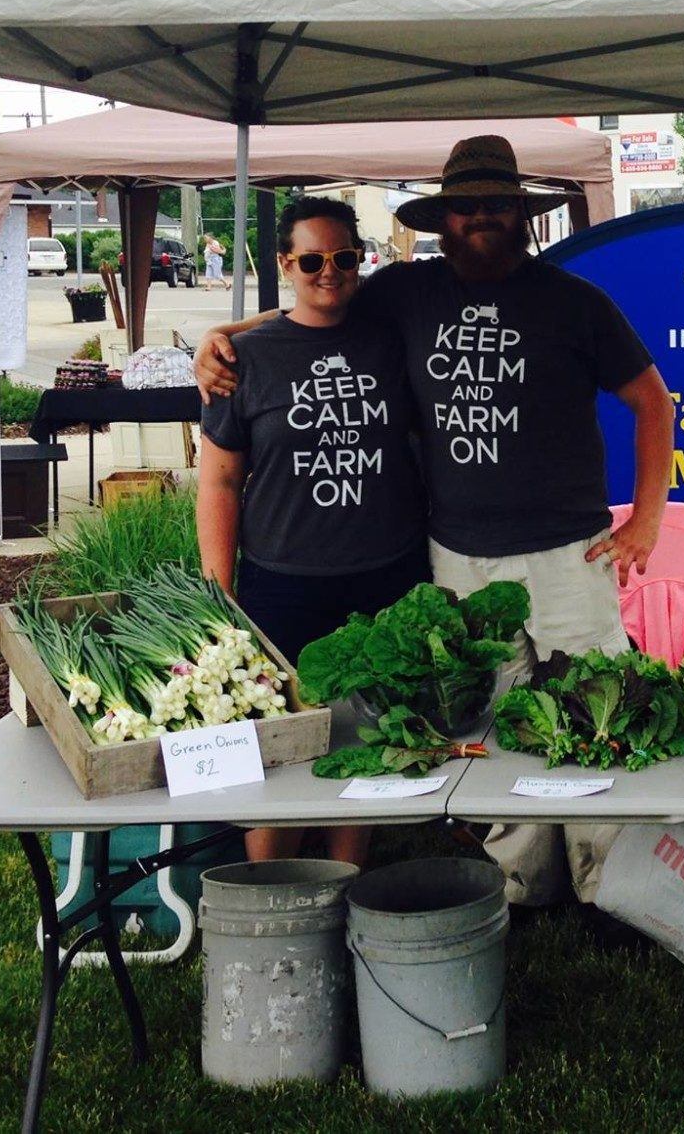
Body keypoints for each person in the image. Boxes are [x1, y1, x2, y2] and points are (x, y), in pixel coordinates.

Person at [197, 135, 675, 904]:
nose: (480, 217)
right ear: (443, 219)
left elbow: (653, 402)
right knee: (494, 721)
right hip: (457, 555)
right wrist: (221, 341)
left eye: (495, 205)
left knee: (596, 707)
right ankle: (521, 884)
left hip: (568, 554)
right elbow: (314, 308)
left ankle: (607, 885)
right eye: (465, 206)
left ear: (521, 214)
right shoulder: (407, 293)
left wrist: (647, 519)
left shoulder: (574, 303)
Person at [195, 196, 428, 867]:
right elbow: (219, 481)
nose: (330, 272)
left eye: (344, 258)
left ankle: (348, 881)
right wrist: (220, 590)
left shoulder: (388, 334)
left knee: (369, 740)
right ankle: (271, 888)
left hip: (389, 573)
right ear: (284, 263)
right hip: (282, 583)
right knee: (282, 752)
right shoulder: (243, 359)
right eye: (311, 261)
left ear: (361, 260)